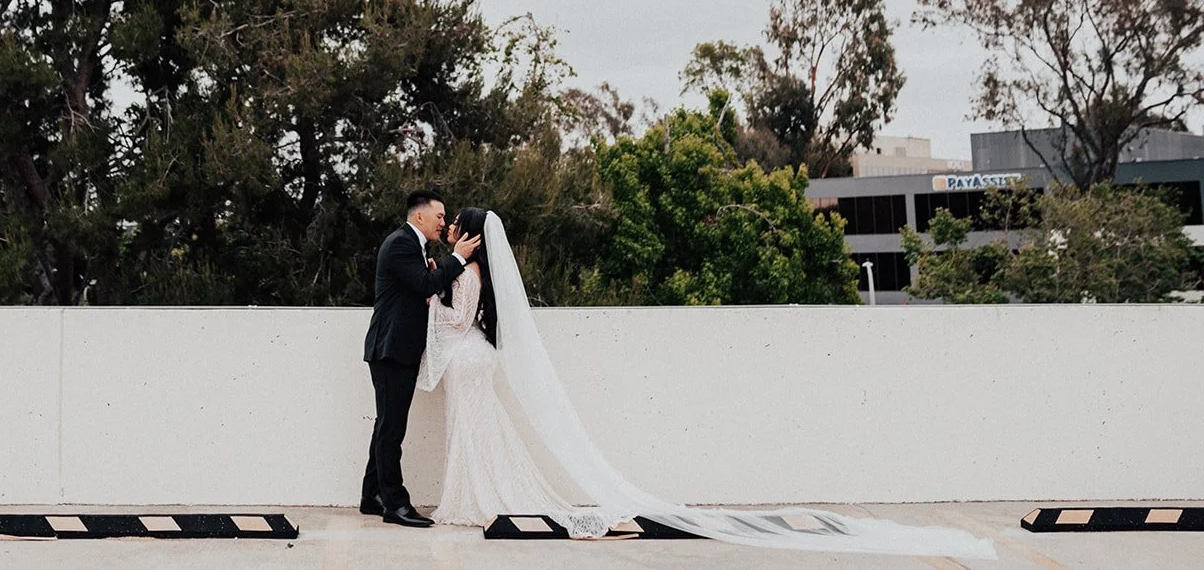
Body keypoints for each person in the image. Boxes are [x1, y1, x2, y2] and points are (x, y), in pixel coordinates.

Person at [418, 207, 997, 559]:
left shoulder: (465, 272)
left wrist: (432, 303)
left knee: (478, 435)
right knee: (481, 435)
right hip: (475, 364)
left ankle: (477, 497)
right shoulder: (477, 271)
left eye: (456, 229)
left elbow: (457, 319)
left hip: (467, 359)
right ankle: (478, 495)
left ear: (469, 234)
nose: (451, 235)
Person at [361, 188, 482, 527]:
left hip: (398, 349)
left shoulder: (414, 245)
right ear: (420, 216)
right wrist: (456, 258)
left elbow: (424, 285)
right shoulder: (401, 243)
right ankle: (395, 504)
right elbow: (425, 286)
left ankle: (371, 495)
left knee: (387, 423)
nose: (444, 222)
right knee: (391, 427)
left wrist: (435, 272)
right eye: (440, 216)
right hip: (390, 348)